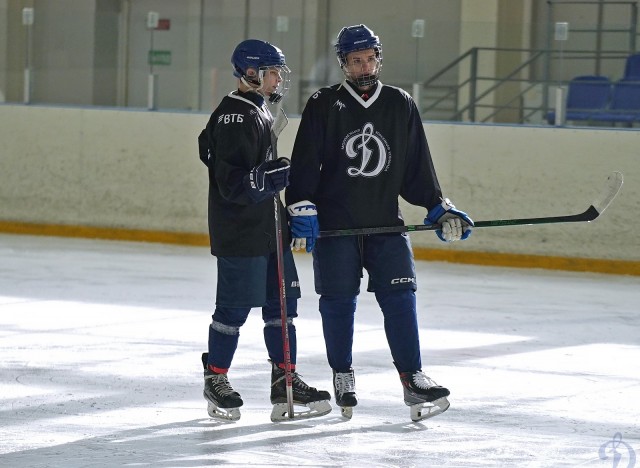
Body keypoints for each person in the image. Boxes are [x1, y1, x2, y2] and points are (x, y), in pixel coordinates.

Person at [284, 25, 474, 422]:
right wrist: (302, 206)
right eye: (356, 60)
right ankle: (342, 374)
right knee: (338, 303)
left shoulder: (400, 103)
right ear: (344, 64)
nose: (365, 66)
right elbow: (304, 164)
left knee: (401, 300)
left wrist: (438, 207)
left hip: (387, 224)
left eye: (370, 58)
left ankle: (412, 378)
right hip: (337, 227)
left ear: (379, 58)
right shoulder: (323, 103)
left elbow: (416, 167)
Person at [197, 39, 331, 422]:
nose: (278, 79)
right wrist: (264, 178)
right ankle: (216, 377)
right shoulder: (235, 116)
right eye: (273, 72)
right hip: (241, 233)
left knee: (281, 306)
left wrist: (282, 212)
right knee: (234, 308)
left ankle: (284, 380)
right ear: (252, 73)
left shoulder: (256, 110)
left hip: (269, 230)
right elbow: (231, 184)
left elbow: (205, 148)